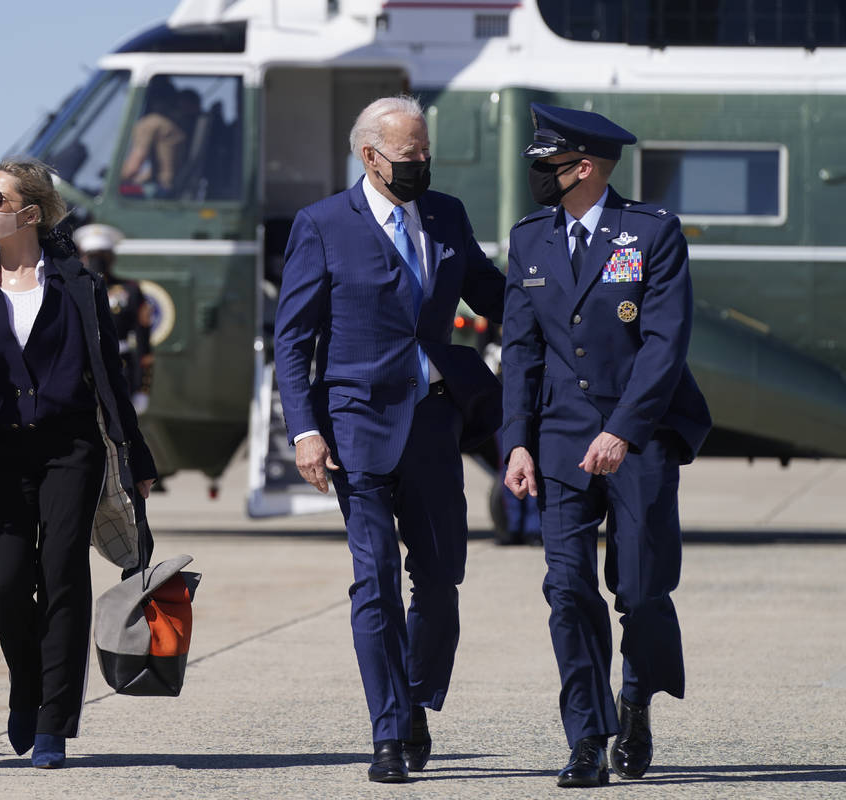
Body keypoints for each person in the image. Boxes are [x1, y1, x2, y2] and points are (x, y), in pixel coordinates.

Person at [273, 95, 506, 784]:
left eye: (426, 154)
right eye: (410, 157)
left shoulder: (447, 215)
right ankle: (388, 731)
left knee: (440, 581)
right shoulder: (322, 226)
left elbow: (493, 293)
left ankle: (414, 696)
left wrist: (566, 302)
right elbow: (292, 340)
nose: (422, 166)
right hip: (354, 430)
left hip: (434, 423)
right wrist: (306, 429)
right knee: (373, 582)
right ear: (370, 157)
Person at [0, 158, 156, 769]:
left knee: (64, 571)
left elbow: (110, 377)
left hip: (72, 448)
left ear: (30, 214)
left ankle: (53, 721)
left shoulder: (79, 283)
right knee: (7, 580)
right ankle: (25, 684)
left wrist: (136, 455)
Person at [501, 103, 712, 787]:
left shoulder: (651, 233)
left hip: (640, 437)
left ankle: (637, 697)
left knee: (642, 590)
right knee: (566, 590)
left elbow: (663, 345)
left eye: (547, 163)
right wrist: (516, 443)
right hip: (559, 440)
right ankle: (588, 737)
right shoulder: (529, 239)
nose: (537, 173)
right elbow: (521, 351)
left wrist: (622, 428)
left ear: (583, 167)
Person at [73, 223, 154, 414]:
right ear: (83, 257)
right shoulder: (73, 290)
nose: (96, 262)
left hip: (120, 371)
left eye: (102, 256)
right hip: (80, 372)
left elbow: (144, 345)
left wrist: (143, 389)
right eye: (92, 256)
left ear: (111, 258)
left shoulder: (130, 291)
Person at [120, 78, 190, 194]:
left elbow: (132, 168)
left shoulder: (151, 123)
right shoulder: (173, 126)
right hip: (171, 188)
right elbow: (164, 168)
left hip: (162, 190)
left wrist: (112, 178)